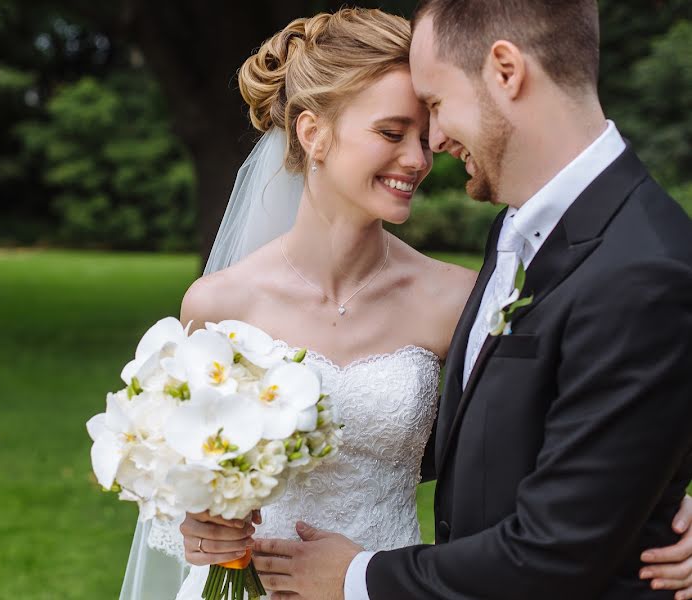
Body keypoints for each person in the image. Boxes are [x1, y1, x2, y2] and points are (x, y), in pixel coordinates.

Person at [137, 7, 692, 600]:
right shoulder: (218, 303)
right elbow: (186, 479)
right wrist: (202, 524)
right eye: (391, 131)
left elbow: (580, 422)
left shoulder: (458, 296)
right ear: (311, 132)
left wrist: (657, 504)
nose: (423, 156)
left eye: (425, 128)